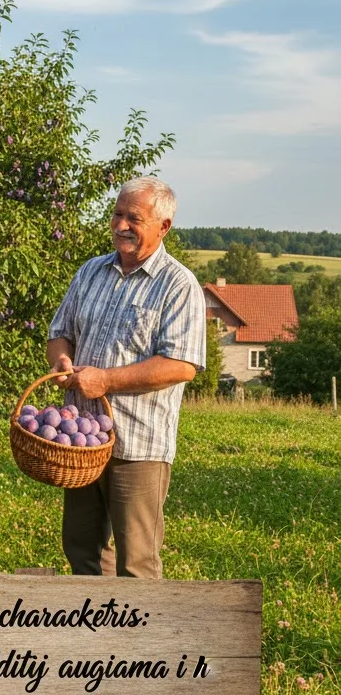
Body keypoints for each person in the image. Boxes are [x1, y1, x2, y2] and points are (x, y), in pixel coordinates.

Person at [47, 176, 206, 579]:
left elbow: (181, 365)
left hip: (139, 445)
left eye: (133, 218)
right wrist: (63, 361)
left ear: (163, 226)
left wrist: (106, 381)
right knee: (81, 548)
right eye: (117, 214)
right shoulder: (91, 271)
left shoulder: (178, 285)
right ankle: (97, 636)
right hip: (81, 440)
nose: (120, 225)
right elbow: (59, 332)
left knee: (136, 560)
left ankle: (141, 642)